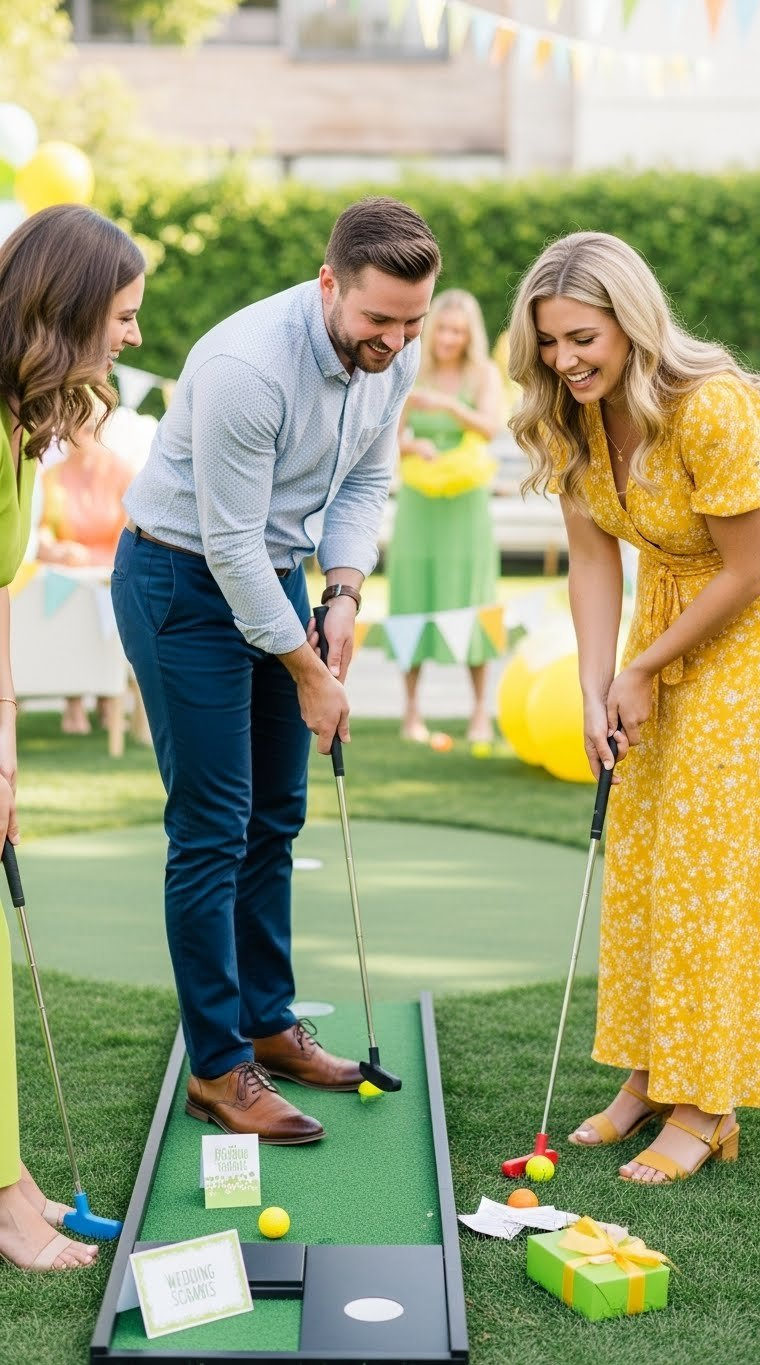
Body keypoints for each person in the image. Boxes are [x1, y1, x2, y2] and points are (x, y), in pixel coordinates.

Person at [112, 196, 440, 1143]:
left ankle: (268, 1019)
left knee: (277, 814)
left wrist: (342, 592)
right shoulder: (246, 367)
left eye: (412, 321)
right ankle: (219, 1066)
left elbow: (368, 479)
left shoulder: (398, 347)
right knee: (214, 825)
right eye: (379, 319)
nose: (396, 339)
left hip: (273, 577)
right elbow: (229, 544)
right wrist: (307, 667)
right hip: (180, 579)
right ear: (329, 282)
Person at [508, 229, 760, 1183]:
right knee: (647, 860)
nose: (565, 359)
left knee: (707, 867)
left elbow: (749, 568)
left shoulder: (715, 407)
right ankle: (651, 1073)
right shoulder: (578, 418)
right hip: (657, 636)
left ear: (631, 321)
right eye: (549, 341)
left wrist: (647, 666)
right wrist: (594, 682)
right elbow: (590, 557)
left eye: (583, 337)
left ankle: (708, 1104)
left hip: (744, 643)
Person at [0, 203, 144, 1268]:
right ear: (70, 309)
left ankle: (15, 1185)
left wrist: (4, 744)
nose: (134, 337)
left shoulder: (20, 427)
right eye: (125, 315)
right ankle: (9, 1205)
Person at [387, 289, 504, 745]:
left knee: (472, 598)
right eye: (443, 329)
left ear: (470, 335)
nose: (449, 338)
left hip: (466, 504)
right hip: (420, 500)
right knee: (413, 597)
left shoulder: (484, 374)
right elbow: (389, 437)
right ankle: (411, 710)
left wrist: (447, 407)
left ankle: (480, 712)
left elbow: (491, 427)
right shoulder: (410, 368)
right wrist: (414, 446)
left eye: (459, 331)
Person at [36, 402, 134, 734]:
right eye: (74, 429)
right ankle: (73, 698)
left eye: (89, 428)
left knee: (104, 609)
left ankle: (109, 697)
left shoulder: (123, 473)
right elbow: (45, 526)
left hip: (111, 570)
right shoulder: (53, 476)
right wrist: (56, 549)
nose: (81, 436)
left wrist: (92, 558)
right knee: (66, 611)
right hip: (68, 573)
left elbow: (130, 533)